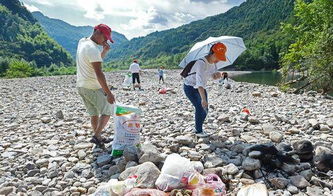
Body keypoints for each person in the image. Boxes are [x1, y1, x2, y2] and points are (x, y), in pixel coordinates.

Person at [76, 24, 115, 148]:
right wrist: (108, 93)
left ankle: (97, 137)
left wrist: (104, 51)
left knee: (94, 113)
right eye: (105, 37)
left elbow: (93, 62)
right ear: (97, 32)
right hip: (92, 86)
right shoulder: (92, 49)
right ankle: (96, 136)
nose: (105, 41)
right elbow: (99, 73)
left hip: (81, 86)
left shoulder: (82, 42)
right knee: (108, 108)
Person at [183, 43, 227, 137]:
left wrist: (218, 75)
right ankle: (198, 131)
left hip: (201, 87)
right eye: (218, 57)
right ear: (212, 53)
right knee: (200, 107)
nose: (219, 60)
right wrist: (203, 99)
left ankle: (198, 127)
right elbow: (199, 82)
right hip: (190, 87)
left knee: (205, 109)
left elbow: (212, 76)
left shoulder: (213, 64)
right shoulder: (201, 62)